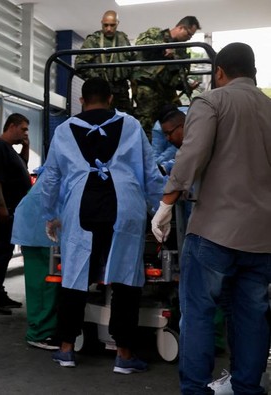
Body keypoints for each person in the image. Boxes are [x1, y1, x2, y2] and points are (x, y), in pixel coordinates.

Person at [151, 42, 271, 395]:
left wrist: (166, 204)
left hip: (214, 233)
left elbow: (191, 156)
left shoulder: (211, 102)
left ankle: (195, 389)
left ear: (219, 72)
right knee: (252, 316)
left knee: (200, 312)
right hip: (262, 239)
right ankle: (247, 388)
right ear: (254, 72)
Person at [40, 77, 162, 372]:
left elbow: (51, 178)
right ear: (110, 99)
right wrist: (161, 208)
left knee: (74, 278)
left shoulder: (65, 129)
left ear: (81, 101)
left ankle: (66, 348)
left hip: (81, 209)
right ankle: (124, 354)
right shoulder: (131, 124)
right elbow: (150, 172)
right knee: (126, 281)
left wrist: (50, 213)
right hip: (125, 208)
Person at [0, 113, 31, 315]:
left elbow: (22, 167)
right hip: (4, 211)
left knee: (5, 250)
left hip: (11, 211)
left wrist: (26, 146)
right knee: (2, 251)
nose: (26, 133)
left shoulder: (8, 149)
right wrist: (1, 206)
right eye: (24, 129)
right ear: (12, 126)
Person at [11, 167, 59, 350]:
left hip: (40, 221)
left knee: (46, 281)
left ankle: (45, 328)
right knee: (44, 281)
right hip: (40, 225)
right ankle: (40, 333)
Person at [132, 16, 201, 141]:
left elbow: (177, 76)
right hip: (149, 92)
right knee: (144, 128)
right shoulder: (156, 34)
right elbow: (140, 44)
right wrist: (162, 47)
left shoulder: (181, 50)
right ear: (181, 27)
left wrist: (186, 86)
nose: (189, 38)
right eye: (189, 34)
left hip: (167, 95)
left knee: (172, 130)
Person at [75, 10, 133, 112]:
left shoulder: (123, 40)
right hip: (98, 92)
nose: (109, 29)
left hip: (120, 92)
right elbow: (80, 65)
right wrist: (97, 79)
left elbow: (132, 64)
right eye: (105, 25)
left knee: (124, 122)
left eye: (112, 25)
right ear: (101, 23)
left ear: (117, 24)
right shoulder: (93, 40)